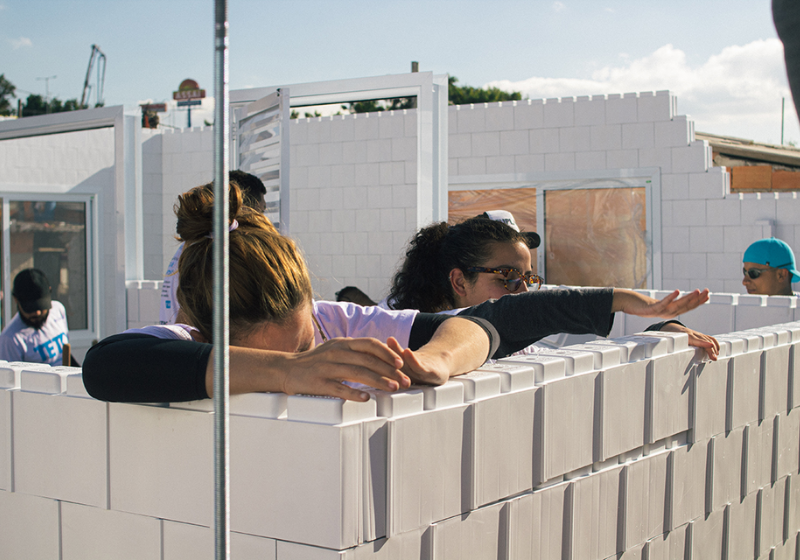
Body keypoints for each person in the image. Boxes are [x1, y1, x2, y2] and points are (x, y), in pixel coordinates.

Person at [82, 182, 711, 404]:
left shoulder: (339, 322)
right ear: (212, 331)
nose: (313, 343)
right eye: (292, 341)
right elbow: (106, 366)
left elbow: (492, 318)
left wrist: (440, 356)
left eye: (308, 329)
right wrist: (290, 371)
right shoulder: (180, 343)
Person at [387, 214, 720, 360]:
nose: (521, 290)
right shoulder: (416, 342)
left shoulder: (524, 345)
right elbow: (530, 312)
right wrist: (621, 299)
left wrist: (663, 330)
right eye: (506, 277)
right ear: (459, 280)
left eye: (528, 278)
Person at [159, 170, 268, 325]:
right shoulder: (215, 255)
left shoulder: (195, 246)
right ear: (241, 208)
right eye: (261, 211)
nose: (263, 220)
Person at [0, 268, 76, 366]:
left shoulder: (58, 310)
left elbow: (64, 354)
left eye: (42, 306)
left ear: (49, 292)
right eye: (30, 308)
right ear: (16, 300)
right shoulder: (10, 339)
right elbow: (10, 380)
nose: (37, 313)